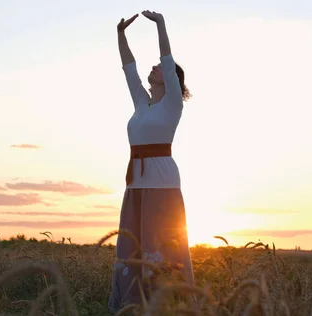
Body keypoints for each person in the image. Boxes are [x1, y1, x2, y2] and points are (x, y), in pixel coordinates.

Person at [108, 10, 195, 313]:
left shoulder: (172, 105)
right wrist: (121, 35)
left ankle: (169, 304)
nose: (155, 67)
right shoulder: (141, 104)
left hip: (162, 184)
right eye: (156, 66)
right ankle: (132, 305)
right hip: (136, 185)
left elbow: (168, 63)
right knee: (132, 249)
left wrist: (160, 24)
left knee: (163, 251)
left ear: (171, 81)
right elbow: (128, 69)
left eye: (159, 68)